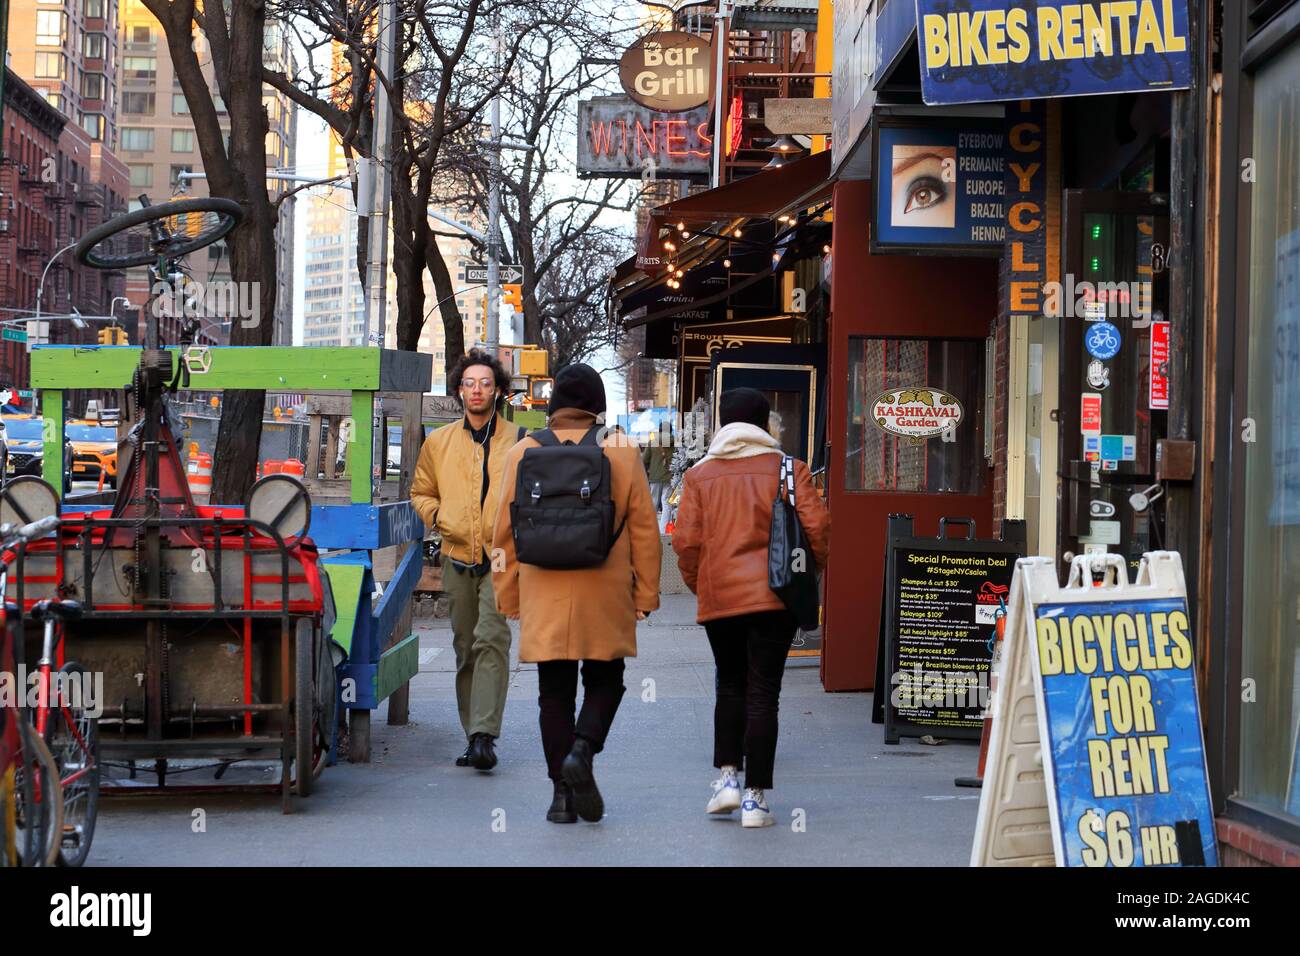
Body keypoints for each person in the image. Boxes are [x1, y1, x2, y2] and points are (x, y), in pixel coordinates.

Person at [492, 364, 661, 823]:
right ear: (596, 406)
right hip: (603, 588)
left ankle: (561, 797)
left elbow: (502, 536)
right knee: (608, 680)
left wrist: (507, 595)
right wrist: (646, 593)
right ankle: (583, 750)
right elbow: (645, 530)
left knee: (554, 693)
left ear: (554, 405)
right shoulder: (621, 451)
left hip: (543, 588)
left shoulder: (521, 452)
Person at [671, 388, 830, 828]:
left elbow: (686, 544)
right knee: (764, 693)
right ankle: (755, 801)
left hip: (721, 597)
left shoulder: (700, 475)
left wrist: (702, 583)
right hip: (775, 598)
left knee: (729, 686)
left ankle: (726, 781)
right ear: (764, 424)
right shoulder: (788, 469)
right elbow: (817, 530)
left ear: (724, 422)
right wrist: (805, 579)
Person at [410, 349, 522, 771]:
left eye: (486, 383)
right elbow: (421, 492)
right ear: (459, 390)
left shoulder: (517, 440)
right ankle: (471, 730)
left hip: (499, 558)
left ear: (499, 391)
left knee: (492, 639)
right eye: (470, 383)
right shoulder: (438, 442)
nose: (477, 390)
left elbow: (531, 491)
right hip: (457, 556)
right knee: (464, 646)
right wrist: (441, 518)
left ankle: (483, 737)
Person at [641, 428, 673, 533]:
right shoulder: (675, 442)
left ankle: (651, 530)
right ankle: (663, 530)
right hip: (669, 478)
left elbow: (644, 460)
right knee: (667, 504)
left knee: (653, 503)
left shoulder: (652, 442)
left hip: (654, 478)